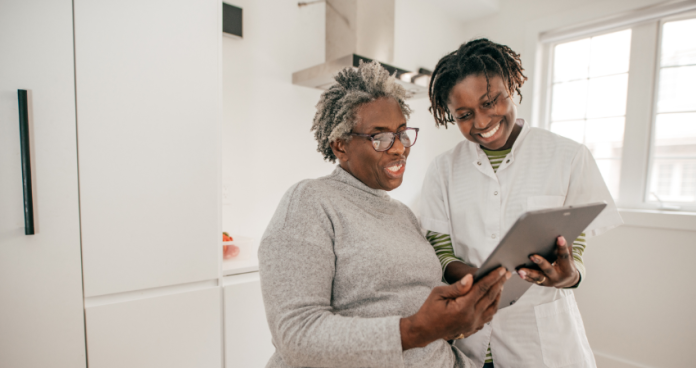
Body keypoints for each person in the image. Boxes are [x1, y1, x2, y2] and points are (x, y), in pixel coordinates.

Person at [258, 60, 511, 368]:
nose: (398, 149)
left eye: (402, 133)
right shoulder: (311, 201)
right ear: (340, 146)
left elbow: (410, 300)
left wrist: (459, 316)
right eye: (380, 137)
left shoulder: (402, 214)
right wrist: (416, 330)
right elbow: (298, 336)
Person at [420, 39, 623, 368]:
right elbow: (440, 252)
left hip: (543, 344)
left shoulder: (567, 156)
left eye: (490, 101)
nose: (482, 121)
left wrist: (569, 277)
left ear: (511, 86)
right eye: (464, 115)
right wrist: (480, 279)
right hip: (469, 342)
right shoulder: (443, 169)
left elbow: (575, 254)